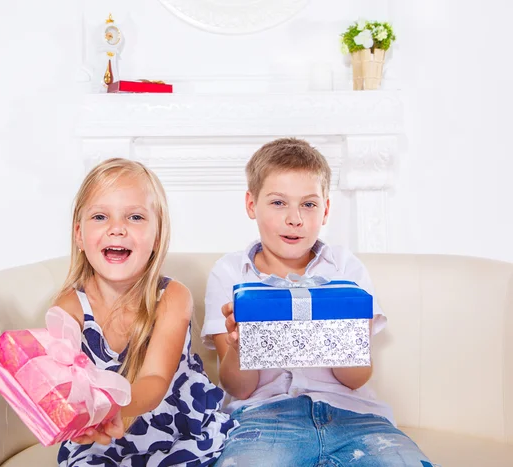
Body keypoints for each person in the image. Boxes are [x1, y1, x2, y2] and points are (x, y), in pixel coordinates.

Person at [202, 138, 433, 466]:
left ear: (325, 210)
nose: (294, 218)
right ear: (251, 204)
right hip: (263, 420)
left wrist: (340, 332)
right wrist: (241, 347)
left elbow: (356, 378)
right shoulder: (229, 273)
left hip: (354, 418)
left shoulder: (345, 268)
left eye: (308, 204)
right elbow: (238, 388)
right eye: (278, 202)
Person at [56, 158, 237, 466]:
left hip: (181, 435)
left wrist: (115, 408)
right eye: (100, 216)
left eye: (135, 217)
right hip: (103, 444)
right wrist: (76, 413)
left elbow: (154, 379)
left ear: (157, 235)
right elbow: (65, 378)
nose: (117, 229)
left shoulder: (172, 297)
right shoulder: (69, 306)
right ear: (79, 234)